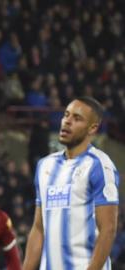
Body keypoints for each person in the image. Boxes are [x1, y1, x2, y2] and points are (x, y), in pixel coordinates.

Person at [23, 97, 120, 270]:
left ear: (93, 128)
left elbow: (108, 229)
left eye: (77, 118)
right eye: (66, 115)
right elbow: (38, 228)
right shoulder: (45, 165)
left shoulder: (100, 166)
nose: (67, 121)